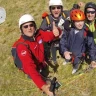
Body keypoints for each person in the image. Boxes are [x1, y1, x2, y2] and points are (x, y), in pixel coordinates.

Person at [11, 14, 61, 96]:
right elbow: (30, 67)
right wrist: (44, 87)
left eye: (31, 25)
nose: (29, 28)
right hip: (30, 67)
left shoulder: (39, 34)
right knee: (35, 74)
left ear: (34, 26)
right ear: (21, 30)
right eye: (25, 26)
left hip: (40, 62)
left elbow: (51, 36)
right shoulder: (22, 46)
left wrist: (57, 31)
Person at [60, 9, 96, 74]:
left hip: (79, 55)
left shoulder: (86, 32)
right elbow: (63, 41)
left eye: (82, 21)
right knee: (67, 56)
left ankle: (75, 68)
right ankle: (68, 59)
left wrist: (93, 59)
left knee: (76, 62)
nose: (80, 24)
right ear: (73, 22)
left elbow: (91, 46)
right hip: (69, 52)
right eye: (77, 21)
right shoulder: (69, 30)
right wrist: (64, 51)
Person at [40, 0, 70, 65]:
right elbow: (41, 33)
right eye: (53, 8)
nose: (56, 10)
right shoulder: (47, 20)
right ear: (50, 9)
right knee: (51, 47)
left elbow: (73, 11)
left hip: (64, 39)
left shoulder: (65, 14)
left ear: (61, 8)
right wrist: (50, 33)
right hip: (52, 41)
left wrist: (77, 6)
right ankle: (52, 59)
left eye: (58, 8)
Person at [84, 2, 96, 68]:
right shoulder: (81, 23)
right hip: (88, 47)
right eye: (88, 12)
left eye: (92, 12)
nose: (90, 14)